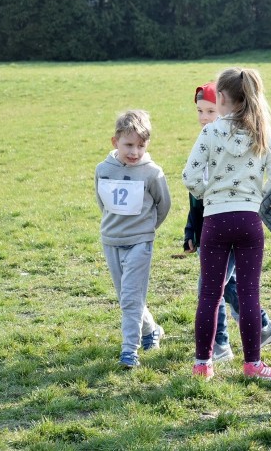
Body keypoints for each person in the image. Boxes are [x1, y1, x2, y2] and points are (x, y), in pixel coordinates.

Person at [182, 67, 271, 381]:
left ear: (222, 97)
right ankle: (253, 364)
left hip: (216, 220)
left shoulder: (210, 132)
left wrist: (208, 194)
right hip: (250, 221)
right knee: (250, 293)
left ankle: (203, 364)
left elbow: (190, 177)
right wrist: (258, 198)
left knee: (210, 295)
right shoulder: (262, 131)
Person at [95, 109, 172, 369]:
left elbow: (163, 205)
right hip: (111, 240)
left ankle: (130, 350)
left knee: (130, 298)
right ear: (115, 142)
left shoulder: (152, 173)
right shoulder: (103, 169)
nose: (134, 152)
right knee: (128, 297)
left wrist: (145, 229)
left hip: (140, 241)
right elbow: (102, 202)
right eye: (129, 145)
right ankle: (152, 330)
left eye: (141, 146)